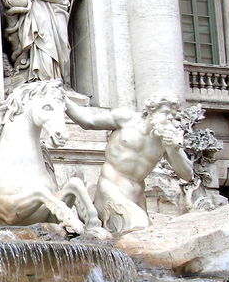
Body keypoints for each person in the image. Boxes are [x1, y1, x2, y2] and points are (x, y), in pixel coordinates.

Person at [65, 93, 194, 232]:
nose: (170, 118)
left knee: (145, 239)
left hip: (137, 198)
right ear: (151, 111)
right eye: (166, 113)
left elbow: (187, 175)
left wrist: (174, 150)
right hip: (110, 189)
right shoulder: (126, 119)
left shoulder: (165, 140)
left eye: (173, 116)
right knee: (139, 226)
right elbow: (87, 121)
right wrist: (62, 97)